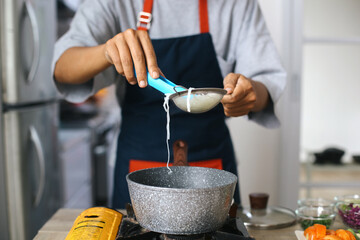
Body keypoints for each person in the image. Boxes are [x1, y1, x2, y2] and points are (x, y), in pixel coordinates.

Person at [52, 0, 286, 208]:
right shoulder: (113, 3)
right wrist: (105, 52)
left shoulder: (237, 4)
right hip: (137, 166)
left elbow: (265, 82)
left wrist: (250, 93)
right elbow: (62, 68)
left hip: (213, 169)